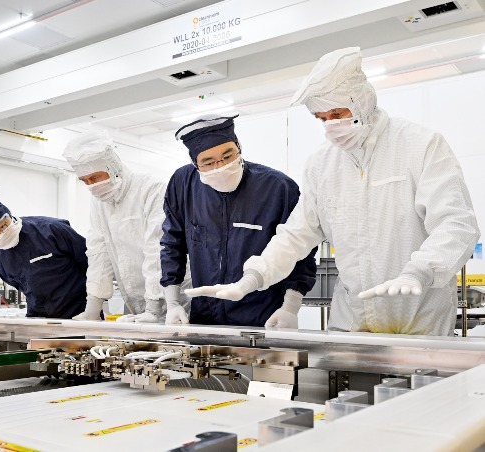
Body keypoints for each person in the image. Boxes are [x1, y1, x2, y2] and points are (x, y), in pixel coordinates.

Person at [188, 47, 479, 336]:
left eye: (337, 113)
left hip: (421, 316)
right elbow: (296, 235)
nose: (331, 125)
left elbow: (456, 224)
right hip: (353, 318)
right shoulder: (322, 164)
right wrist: (253, 277)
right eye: (321, 118)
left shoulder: (420, 145)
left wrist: (421, 271)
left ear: (363, 102)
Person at [163, 115, 317, 327]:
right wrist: (172, 303)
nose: (222, 166)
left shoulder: (278, 188)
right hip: (204, 317)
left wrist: (290, 307)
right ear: (195, 164)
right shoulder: (183, 184)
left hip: (263, 319)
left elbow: (301, 252)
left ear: (239, 147)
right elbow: (172, 244)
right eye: (208, 162)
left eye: (228, 155)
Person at [63, 130, 180, 322]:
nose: (91, 186)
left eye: (95, 178)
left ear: (113, 167)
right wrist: (92, 309)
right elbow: (98, 252)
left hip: (174, 300)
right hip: (137, 305)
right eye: (85, 181)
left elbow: (157, 250)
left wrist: (153, 308)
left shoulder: (152, 189)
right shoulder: (99, 201)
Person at [0, 182, 88, 319]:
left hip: (79, 314)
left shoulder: (51, 229)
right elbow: (18, 284)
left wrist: (94, 305)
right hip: (38, 318)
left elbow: (91, 262)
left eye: (2, 226)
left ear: (8, 214)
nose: (1, 235)